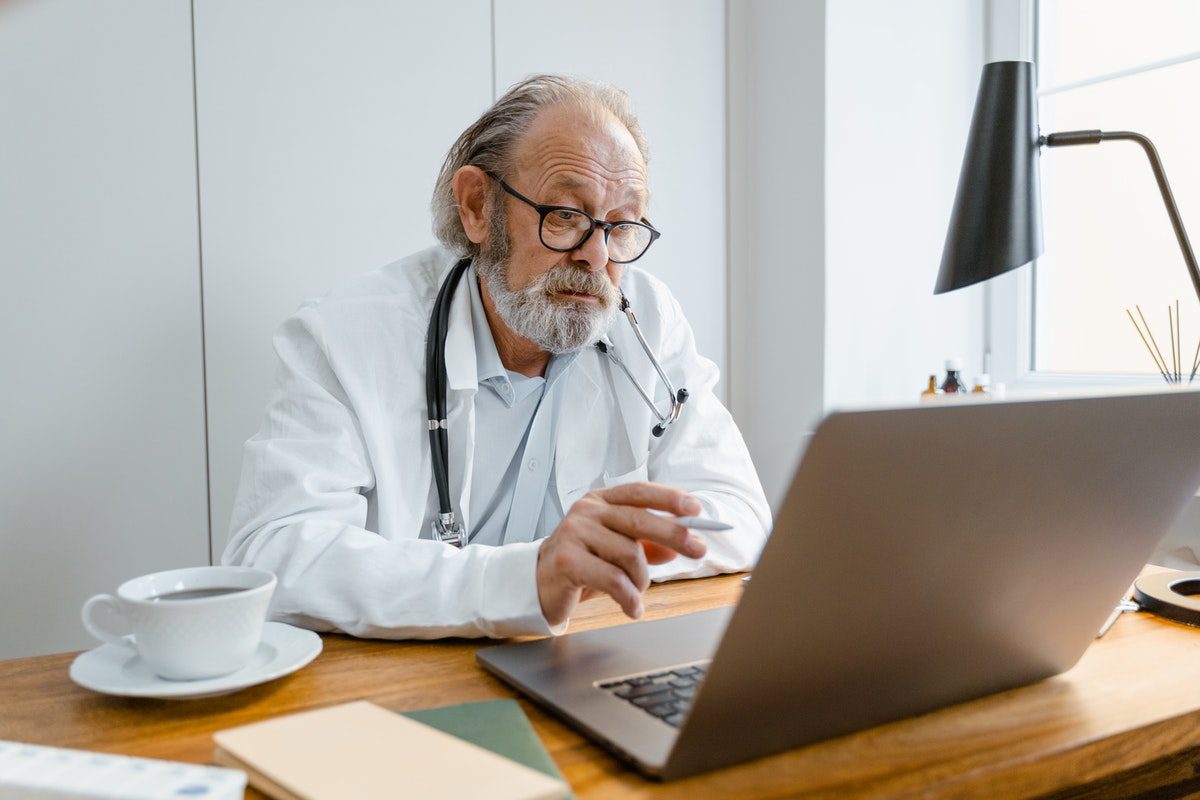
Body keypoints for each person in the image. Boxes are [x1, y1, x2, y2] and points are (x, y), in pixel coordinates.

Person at [223, 74, 770, 639]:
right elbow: (271, 555)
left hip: (581, 655)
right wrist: (522, 580)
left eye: (622, 225)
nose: (596, 256)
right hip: (408, 686)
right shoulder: (345, 337)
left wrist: (595, 559)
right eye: (564, 215)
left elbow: (741, 514)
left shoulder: (647, 318)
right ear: (477, 206)